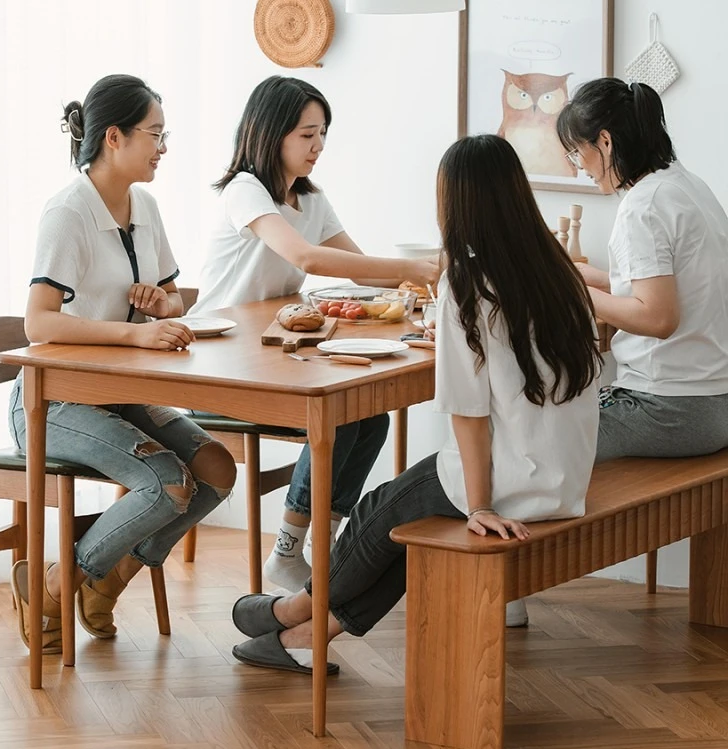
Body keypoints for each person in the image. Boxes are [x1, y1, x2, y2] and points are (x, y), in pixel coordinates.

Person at [227, 134, 602, 674]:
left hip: (511, 480)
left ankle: (293, 608)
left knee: (377, 515)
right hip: (566, 478)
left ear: (456, 205)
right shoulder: (562, 273)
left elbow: (469, 417)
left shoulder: (469, 285)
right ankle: (307, 636)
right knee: (406, 535)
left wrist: (479, 509)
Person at [8, 74, 237, 654]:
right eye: (154, 134)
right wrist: (133, 339)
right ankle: (55, 585)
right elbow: (38, 322)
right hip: (53, 401)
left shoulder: (146, 205)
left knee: (215, 468)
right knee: (166, 484)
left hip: (116, 392)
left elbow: (176, 295)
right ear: (114, 136)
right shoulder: (67, 212)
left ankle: (106, 579)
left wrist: (165, 304)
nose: (163, 147)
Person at [190, 76, 439, 592]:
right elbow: (306, 257)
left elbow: (363, 268)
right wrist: (413, 266)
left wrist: (431, 265)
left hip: (268, 354)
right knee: (342, 412)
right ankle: (288, 549)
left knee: (369, 414)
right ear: (271, 132)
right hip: (217, 362)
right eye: (307, 135)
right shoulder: (246, 190)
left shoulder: (310, 199)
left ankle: (320, 545)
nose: (318, 146)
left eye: (322, 133)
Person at [556, 78, 728, 462]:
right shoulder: (685, 185)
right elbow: (679, 284)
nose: (578, 167)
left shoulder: (643, 206)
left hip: (668, 409)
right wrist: (597, 280)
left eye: (575, 153)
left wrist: (576, 292)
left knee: (517, 447)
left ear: (604, 141)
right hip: (715, 401)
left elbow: (659, 318)